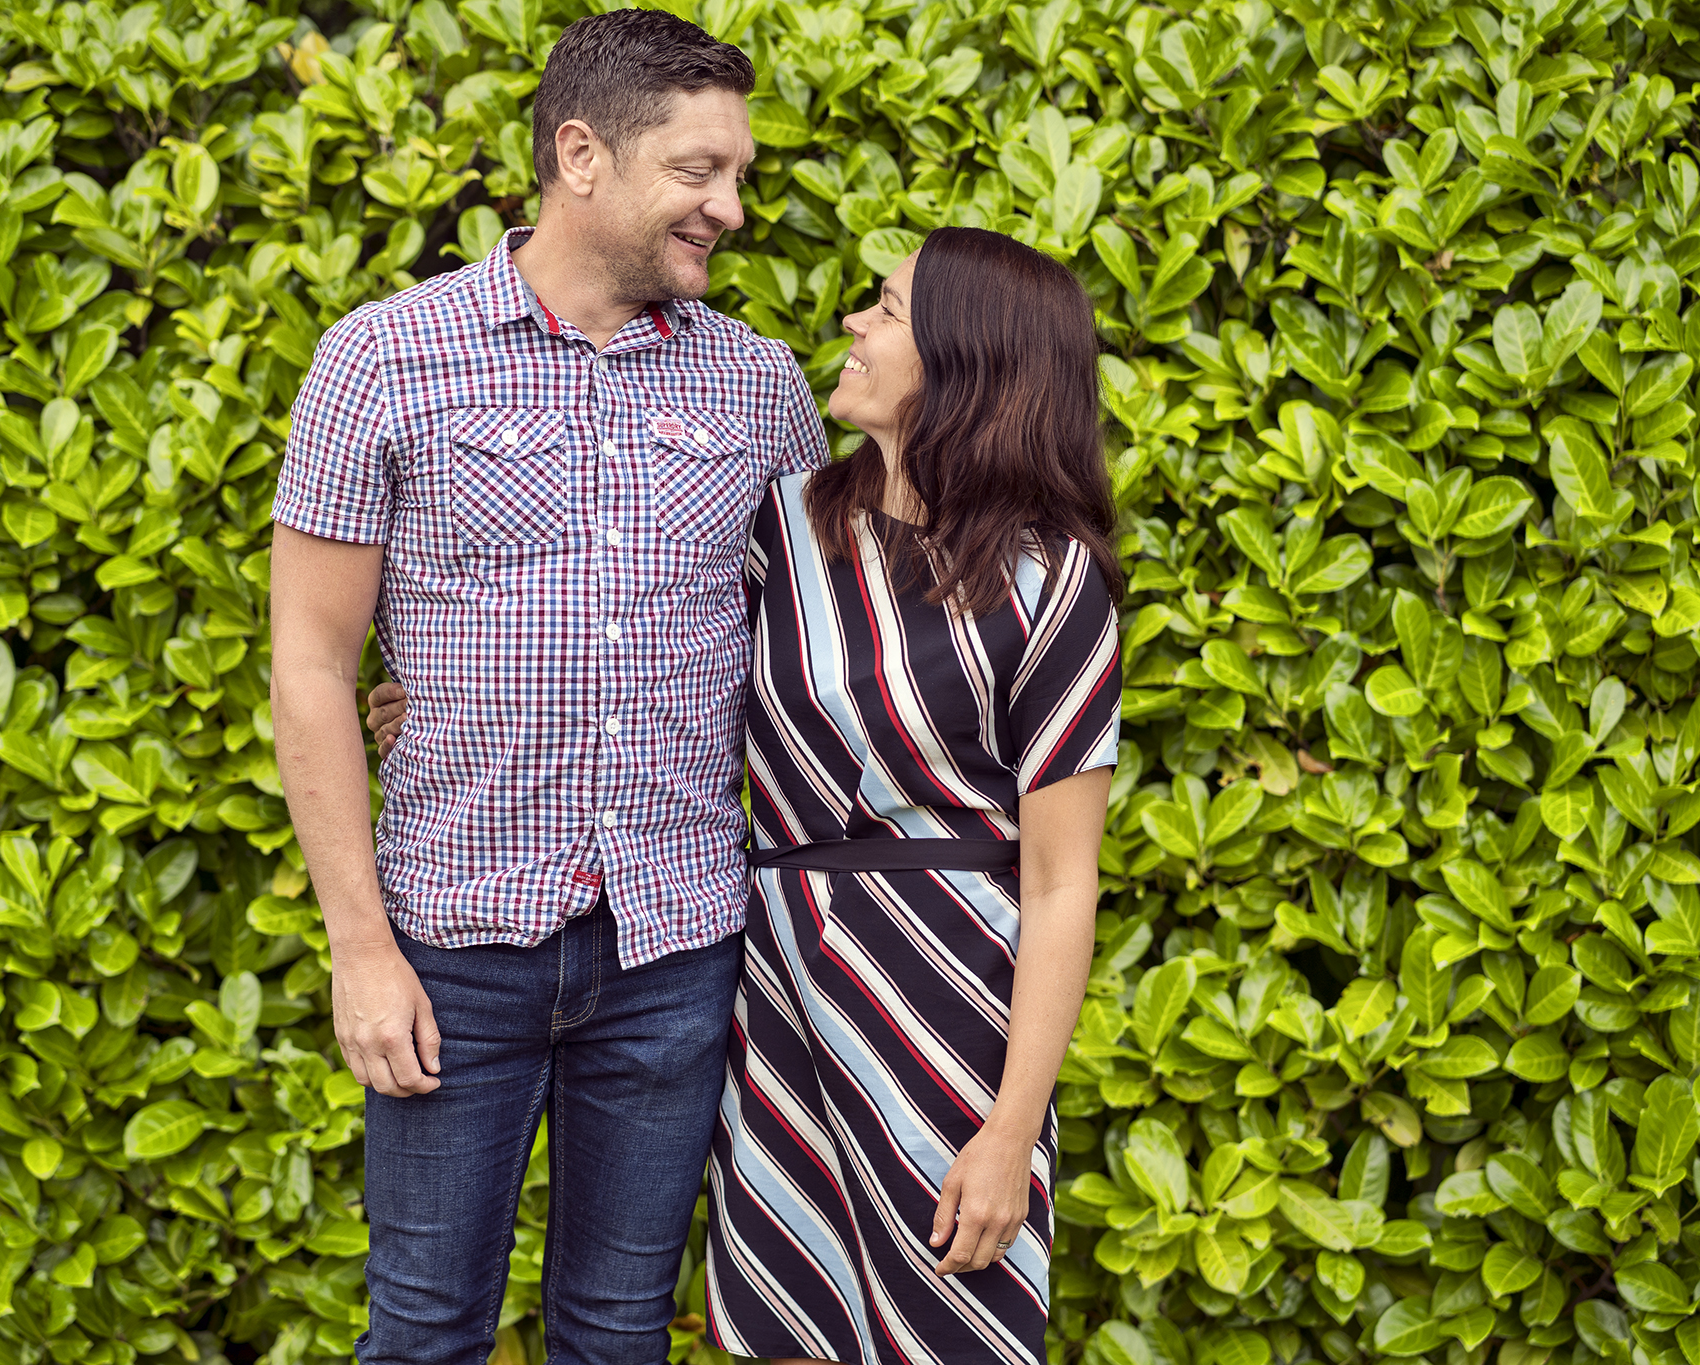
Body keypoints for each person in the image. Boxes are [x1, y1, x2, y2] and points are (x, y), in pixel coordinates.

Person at [265, 10, 827, 1363]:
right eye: (698, 170)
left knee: (619, 1330)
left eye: (737, 175)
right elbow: (311, 664)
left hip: (674, 950)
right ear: (581, 155)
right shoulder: (380, 359)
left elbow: (818, 644)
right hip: (451, 945)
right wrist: (360, 950)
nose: (730, 208)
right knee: (423, 1330)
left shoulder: (760, 386)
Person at [703, 228, 1125, 1362]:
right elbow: (648, 674)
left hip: (953, 1017)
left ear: (965, 359)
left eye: (886, 308)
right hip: (781, 996)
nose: (851, 322)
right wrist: (445, 700)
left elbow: (1062, 882)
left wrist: (1011, 1129)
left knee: (953, 1331)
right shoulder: (781, 526)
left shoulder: (1052, 579)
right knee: (782, 1323)